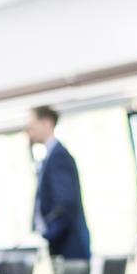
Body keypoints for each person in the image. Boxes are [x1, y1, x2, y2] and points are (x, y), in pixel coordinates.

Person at [27, 106, 90, 259]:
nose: (29, 131)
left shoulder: (58, 156)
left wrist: (45, 236)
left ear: (47, 123)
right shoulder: (48, 157)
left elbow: (64, 205)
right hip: (62, 246)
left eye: (32, 125)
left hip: (68, 247)